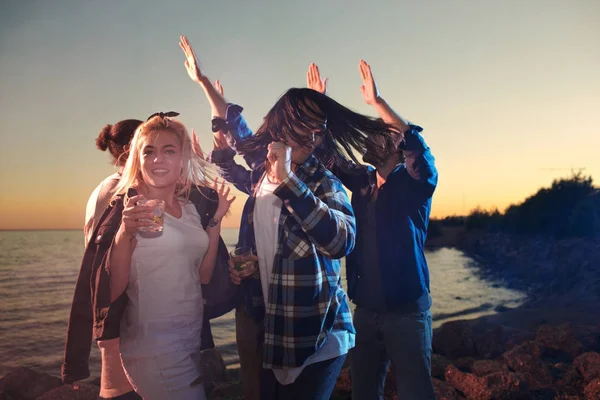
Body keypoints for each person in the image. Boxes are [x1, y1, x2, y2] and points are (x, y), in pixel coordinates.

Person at [179, 35, 398, 400]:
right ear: (283, 126)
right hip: (275, 330)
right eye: (305, 126)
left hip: (319, 334)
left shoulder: (320, 180)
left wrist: (290, 182)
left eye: (318, 127)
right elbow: (236, 128)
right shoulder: (261, 176)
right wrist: (248, 266)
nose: (313, 136)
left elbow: (342, 240)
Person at [63, 113, 235, 400]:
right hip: (153, 350)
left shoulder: (190, 209)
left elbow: (202, 276)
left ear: (182, 158)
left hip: (188, 342)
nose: (158, 159)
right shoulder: (132, 208)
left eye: (169, 151)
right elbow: (111, 291)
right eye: (149, 151)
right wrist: (125, 233)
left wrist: (215, 221)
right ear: (137, 160)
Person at [307, 60, 438, 400]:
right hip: (365, 313)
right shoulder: (362, 182)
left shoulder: (416, 185)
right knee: (364, 393)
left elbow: (417, 147)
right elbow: (326, 154)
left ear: (397, 150)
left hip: (408, 314)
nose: (371, 138)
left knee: (416, 393)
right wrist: (318, 104)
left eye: (382, 134)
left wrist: (378, 104)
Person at [85, 119, 143, 245]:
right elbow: (100, 252)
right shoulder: (113, 190)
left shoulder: (132, 185)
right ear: (130, 149)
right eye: (148, 146)